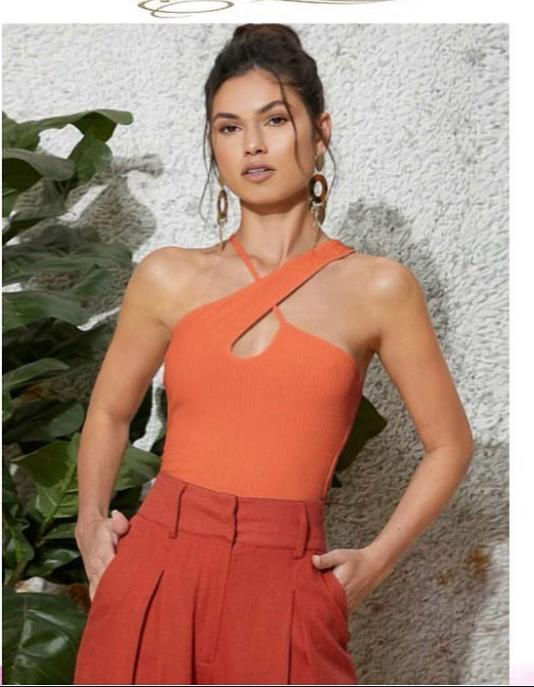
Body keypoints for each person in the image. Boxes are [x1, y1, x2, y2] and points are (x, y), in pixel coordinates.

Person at [73, 23, 474, 685]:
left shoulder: (378, 288)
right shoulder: (168, 276)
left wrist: (376, 560)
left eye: (275, 120)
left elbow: (450, 444)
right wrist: (90, 524)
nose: (252, 145)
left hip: (286, 584)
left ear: (321, 132)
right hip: (155, 571)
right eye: (228, 127)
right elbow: (110, 412)